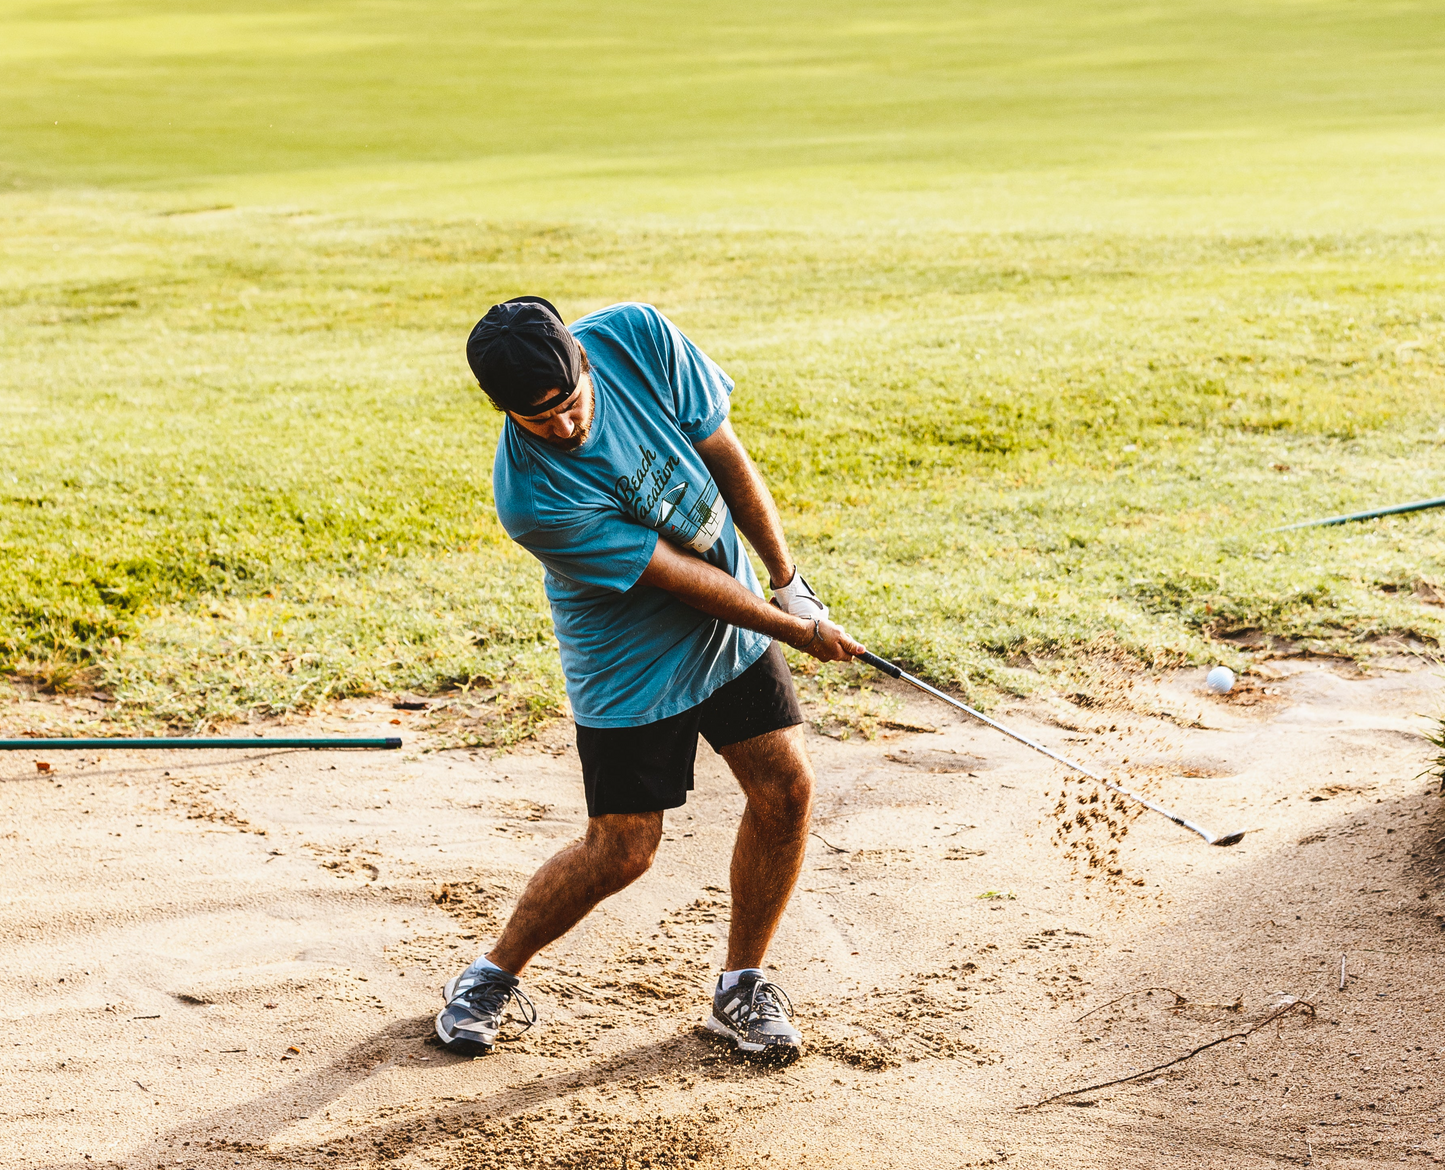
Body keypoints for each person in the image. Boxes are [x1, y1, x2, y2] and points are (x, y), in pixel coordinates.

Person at [436, 296, 863, 1057]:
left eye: (570, 403)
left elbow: (723, 451)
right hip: (629, 658)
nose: (564, 427)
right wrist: (797, 631)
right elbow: (678, 579)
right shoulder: (530, 498)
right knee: (623, 850)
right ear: (502, 410)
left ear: (583, 359)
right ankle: (490, 975)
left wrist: (787, 579)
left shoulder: (637, 337)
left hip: (731, 623)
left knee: (785, 790)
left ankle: (740, 988)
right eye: (538, 419)